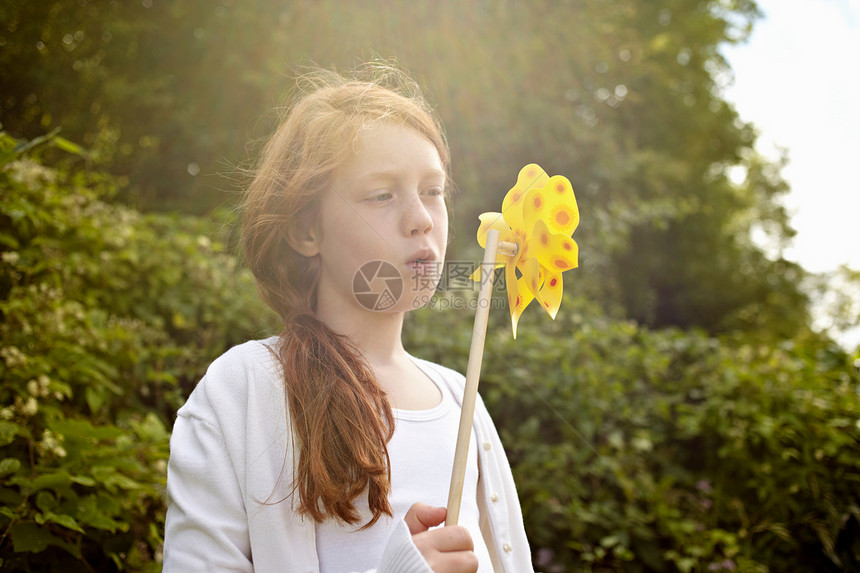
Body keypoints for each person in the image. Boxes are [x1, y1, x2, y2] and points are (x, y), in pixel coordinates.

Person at [162, 63, 533, 573]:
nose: (422, 218)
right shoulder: (243, 391)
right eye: (382, 194)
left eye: (433, 190)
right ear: (305, 231)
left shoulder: (461, 399)